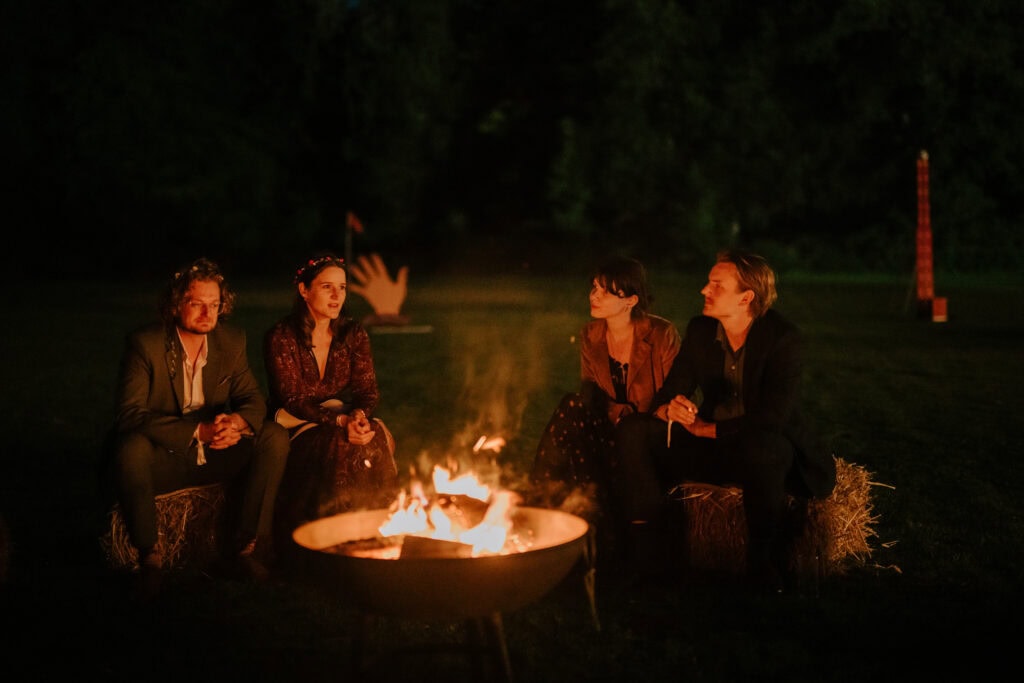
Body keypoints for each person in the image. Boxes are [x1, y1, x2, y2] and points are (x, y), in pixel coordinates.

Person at [612, 249, 836, 591]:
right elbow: (669, 392)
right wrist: (670, 409)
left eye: (717, 284)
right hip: (711, 451)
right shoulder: (702, 331)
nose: (704, 290)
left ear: (747, 297)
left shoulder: (783, 339)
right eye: (707, 282)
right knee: (635, 430)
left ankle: (762, 566)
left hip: (762, 454)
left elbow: (773, 416)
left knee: (765, 447)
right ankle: (648, 549)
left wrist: (710, 429)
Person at [104, 258, 290, 599]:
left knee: (272, 436)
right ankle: (150, 558)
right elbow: (130, 414)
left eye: (215, 305)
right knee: (130, 447)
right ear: (176, 304)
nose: (208, 314)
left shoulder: (230, 341)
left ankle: (245, 548)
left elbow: (251, 398)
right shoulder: (146, 344)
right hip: (167, 458)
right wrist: (197, 432)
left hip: (217, 453)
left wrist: (236, 423)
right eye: (197, 304)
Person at [264, 253, 399, 559]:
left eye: (342, 287)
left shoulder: (352, 333)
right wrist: (341, 423)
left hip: (341, 414)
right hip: (294, 422)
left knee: (375, 433)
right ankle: (333, 536)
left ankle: (384, 525)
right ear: (304, 290)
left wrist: (359, 416)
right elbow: (293, 399)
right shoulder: (281, 337)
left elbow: (368, 391)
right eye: (327, 287)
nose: (337, 295)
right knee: (338, 442)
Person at [529, 256, 681, 524]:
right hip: (608, 427)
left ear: (630, 300)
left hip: (647, 433)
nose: (593, 296)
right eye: (594, 287)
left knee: (627, 427)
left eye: (605, 291)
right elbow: (589, 393)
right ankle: (539, 495)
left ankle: (601, 515)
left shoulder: (660, 334)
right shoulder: (591, 335)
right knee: (571, 405)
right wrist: (610, 415)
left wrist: (630, 417)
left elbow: (673, 396)